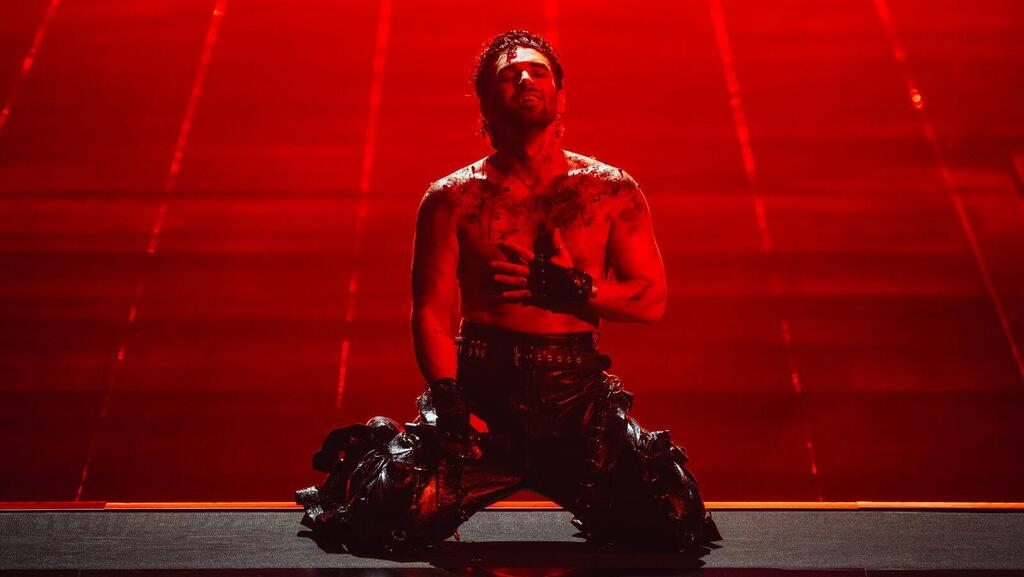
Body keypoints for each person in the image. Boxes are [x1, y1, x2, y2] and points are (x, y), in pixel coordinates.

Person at [296, 30, 720, 554]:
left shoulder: (610, 190)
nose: (524, 78)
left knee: (670, 521)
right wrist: (448, 399)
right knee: (383, 520)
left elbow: (651, 300)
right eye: (509, 74)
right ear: (485, 102)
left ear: (560, 96)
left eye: (538, 71)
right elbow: (430, 313)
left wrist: (577, 291)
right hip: (484, 394)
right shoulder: (451, 198)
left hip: (574, 399)